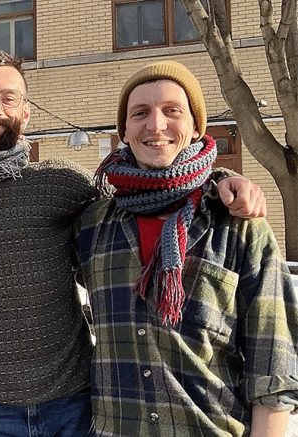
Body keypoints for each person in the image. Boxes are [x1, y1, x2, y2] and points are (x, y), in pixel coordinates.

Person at [0, 51, 266, 436]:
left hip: (74, 403)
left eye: (8, 98)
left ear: (26, 113)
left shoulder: (61, 183)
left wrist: (222, 179)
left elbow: (147, 187)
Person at [74, 60, 298, 436]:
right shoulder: (92, 224)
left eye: (172, 111)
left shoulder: (238, 225)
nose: (156, 125)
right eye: (140, 113)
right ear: (124, 131)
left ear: (196, 128)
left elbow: (272, 366)